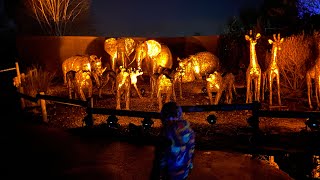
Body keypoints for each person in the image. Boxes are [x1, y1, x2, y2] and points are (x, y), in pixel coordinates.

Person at [150, 101, 195, 180]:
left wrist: (155, 176)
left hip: (169, 174)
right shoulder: (189, 131)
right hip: (183, 173)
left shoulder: (166, 134)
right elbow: (191, 151)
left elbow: (160, 159)